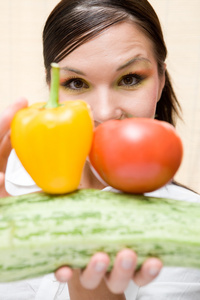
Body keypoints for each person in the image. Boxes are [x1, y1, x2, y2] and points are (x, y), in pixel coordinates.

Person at [1, 0, 200, 299]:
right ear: (51, 85)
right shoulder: (7, 191)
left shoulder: (191, 233)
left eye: (130, 79)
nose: (105, 113)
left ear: (160, 82)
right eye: (77, 83)